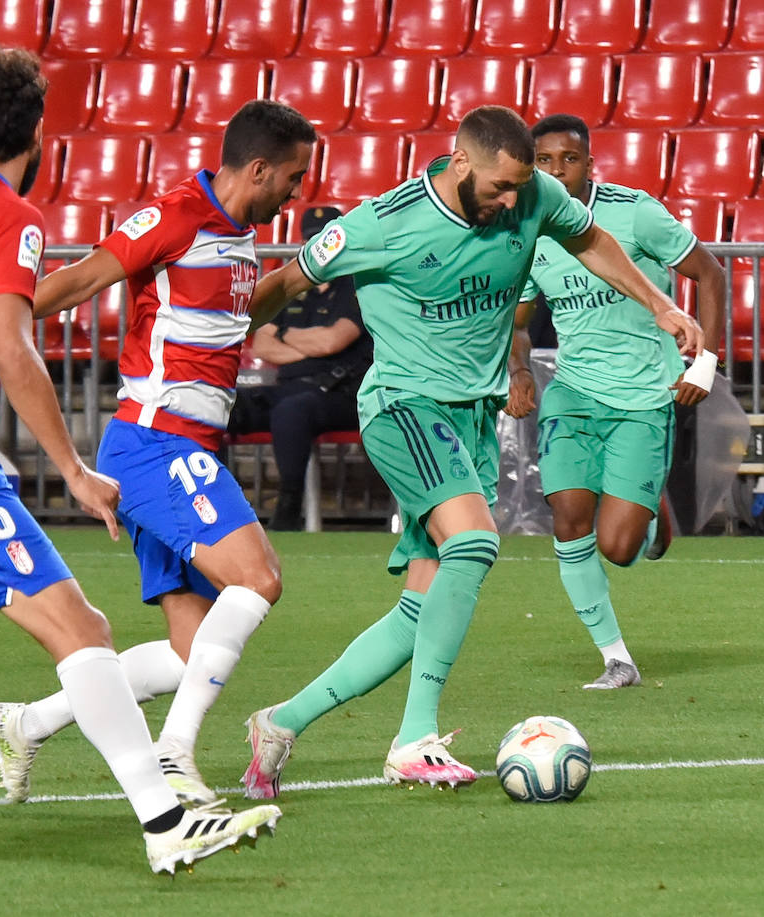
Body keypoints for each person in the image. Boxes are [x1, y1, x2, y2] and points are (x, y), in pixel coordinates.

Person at [0, 48, 279, 879]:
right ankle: (166, 820)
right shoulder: (7, 213)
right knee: (82, 629)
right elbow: (12, 344)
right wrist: (67, 465)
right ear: (37, 138)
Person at [239, 105, 704, 799]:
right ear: (461, 163)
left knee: (418, 610)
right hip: (404, 407)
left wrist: (661, 305)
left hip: (471, 421)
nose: (514, 201)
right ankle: (413, 739)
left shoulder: (534, 196)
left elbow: (592, 239)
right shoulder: (382, 223)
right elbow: (283, 285)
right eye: (500, 188)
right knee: (476, 543)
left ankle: (281, 720)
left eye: (521, 188)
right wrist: (206, 348)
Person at [0, 100, 318, 809]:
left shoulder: (238, 237)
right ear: (258, 169)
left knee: (192, 653)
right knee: (257, 578)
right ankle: (173, 752)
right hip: (156, 442)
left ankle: (28, 721)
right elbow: (80, 280)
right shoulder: (175, 214)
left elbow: (232, 323)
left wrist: (300, 275)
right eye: (292, 176)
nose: (298, 192)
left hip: (186, 447)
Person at [505, 114, 727, 690]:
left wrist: (704, 362)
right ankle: (616, 659)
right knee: (569, 520)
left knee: (620, 547)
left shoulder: (634, 213)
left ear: (590, 163)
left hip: (642, 397)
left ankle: (654, 523)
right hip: (573, 395)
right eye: (545, 160)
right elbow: (518, 319)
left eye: (569, 159)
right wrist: (520, 369)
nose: (557, 170)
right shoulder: (530, 230)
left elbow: (710, 272)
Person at [227, 205, 372, 531]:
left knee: (293, 411)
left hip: (340, 394)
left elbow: (333, 341)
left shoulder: (358, 284)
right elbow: (261, 345)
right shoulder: (292, 286)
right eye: (314, 240)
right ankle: (216, 502)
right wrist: (307, 346)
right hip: (289, 387)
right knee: (222, 404)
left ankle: (288, 507)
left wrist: (284, 334)